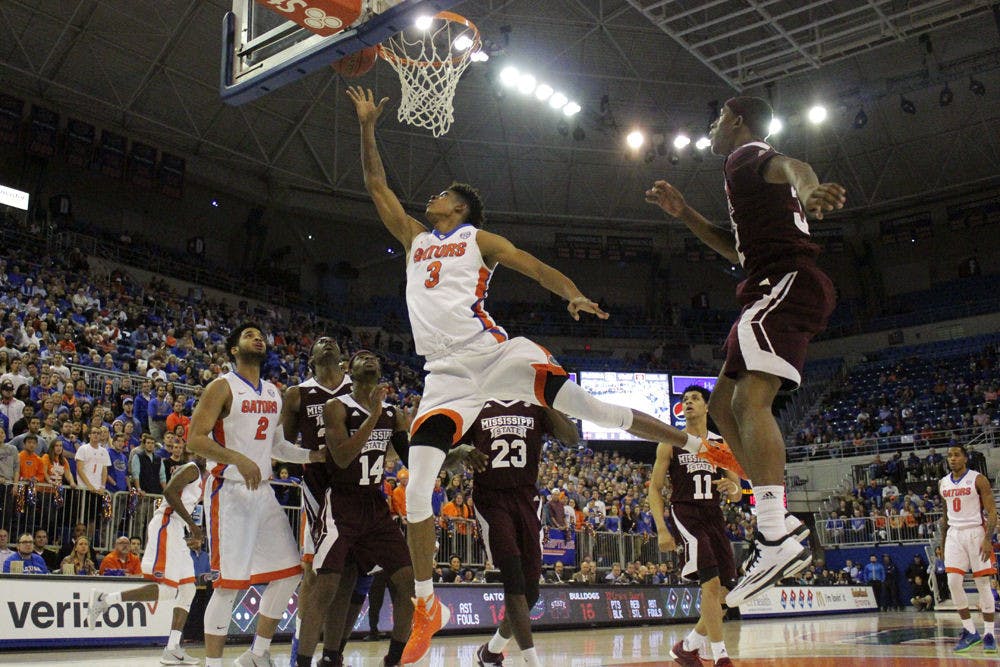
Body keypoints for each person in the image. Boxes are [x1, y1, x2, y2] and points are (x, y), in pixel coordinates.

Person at [347, 85, 739, 664]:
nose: (432, 196)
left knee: (593, 409)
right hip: (445, 377)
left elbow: (532, 266)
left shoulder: (478, 240)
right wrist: (366, 126)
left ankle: (698, 444)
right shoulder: (413, 238)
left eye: (443, 194)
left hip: (495, 356)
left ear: (458, 208)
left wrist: (572, 294)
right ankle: (429, 603)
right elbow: (376, 186)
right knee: (418, 488)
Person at [645, 95, 843, 608]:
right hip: (768, 283)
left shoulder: (746, 153)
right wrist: (686, 212)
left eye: (715, 119)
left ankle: (773, 533)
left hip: (783, 284)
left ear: (735, 120)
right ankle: (776, 520)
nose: (711, 128)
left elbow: (791, 166)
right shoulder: (742, 180)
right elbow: (736, 249)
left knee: (749, 402)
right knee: (721, 403)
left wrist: (811, 185)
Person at [185, 323, 325, 667]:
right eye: (248, 334)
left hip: (262, 492)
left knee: (290, 572)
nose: (257, 337)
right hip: (228, 491)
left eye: (260, 335)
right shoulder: (222, 386)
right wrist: (238, 458)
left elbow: (278, 446)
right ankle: (214, 663)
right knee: (228, 585)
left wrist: (313, 455)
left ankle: (257, 653)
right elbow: (195, 439)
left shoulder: (273, 392)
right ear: (234, 349)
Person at [296, 350, 414, 667]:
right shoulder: (337, 407)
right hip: (341, 503)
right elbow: (343, 458)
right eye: (361, 357)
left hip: (374, 505)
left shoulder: (394, 414)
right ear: (350, 370)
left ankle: (394, 659)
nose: (369, 359)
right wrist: (373, 416)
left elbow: (414, 460)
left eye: (374, 357)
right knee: (327, 587)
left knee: (406, 581)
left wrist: (453, 454)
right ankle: (305, 661)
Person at [454, 399, 577, 667]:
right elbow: (447, 449)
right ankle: (533, 662)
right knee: (513, 579)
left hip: (527, 499)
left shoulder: (533, 405)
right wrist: (463, 449)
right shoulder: (477, 403)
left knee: (531, 592)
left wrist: (546, 400)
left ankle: (490, 652)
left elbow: (572, 437)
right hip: (492, 499)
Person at [651, 386, 745, 667]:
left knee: (727, 596)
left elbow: (738, 490)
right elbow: (655, 489)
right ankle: (720, 656)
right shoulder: (671, 441)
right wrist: (662, 528)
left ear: (706, 407)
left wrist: (733, 488)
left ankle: (688, 646)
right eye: (684, 400)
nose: (688, 402)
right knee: (711, 583)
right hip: (686, 512)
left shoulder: (719, 444)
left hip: (713, 515)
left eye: (694, 399)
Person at [279, 335, 353, 665]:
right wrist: (312, 453)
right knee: (313, 570)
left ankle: (334, 652)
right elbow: (279, 447)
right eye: (319, 342)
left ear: (342, 355)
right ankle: (301, 649)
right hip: (319, 489)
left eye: (331, 340)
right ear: (311, 358)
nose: (326, 341)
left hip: (357, 488)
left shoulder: (359, 388)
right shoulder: (297, 394)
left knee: (353, 573)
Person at [89, 458, 206, 664]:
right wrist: (192, 525)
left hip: (177, 530)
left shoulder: (204, 476)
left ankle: (172, 648)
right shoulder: (192, 468)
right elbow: (169, 492)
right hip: (166, 524)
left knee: (189, 589)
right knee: (168, 590)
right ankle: (105, 599)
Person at [939, 444, 997, 653]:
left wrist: (988, 538)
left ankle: (989, 633)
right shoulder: (943, 483)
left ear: (965, 458)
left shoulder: (978, 479)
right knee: (953, 582)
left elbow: (991, 511)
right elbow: (945, 517)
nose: (952, 459)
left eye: (956, 455)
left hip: (976, 532)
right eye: (949, 456)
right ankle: (969, 630)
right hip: (954, 534)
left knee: (982, 582)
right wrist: (943, 543)